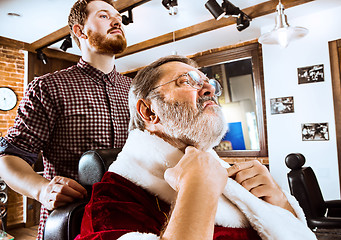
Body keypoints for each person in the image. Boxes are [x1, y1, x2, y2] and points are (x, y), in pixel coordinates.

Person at [75, 55, 316, 240]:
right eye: (188, 81)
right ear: (149, 111)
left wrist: (280, 202)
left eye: (210, 84)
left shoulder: (231, 175)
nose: (210, 89)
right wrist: (197, 189)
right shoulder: (111, 201)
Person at [0, 0, 131, 239]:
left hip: (129, 223)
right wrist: (42, 190)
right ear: (80, 31)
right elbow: (10, 157)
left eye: (118, 17)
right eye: (104, 16)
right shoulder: (48, 87)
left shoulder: (136, 91)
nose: (117, 21)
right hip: (70, 225)